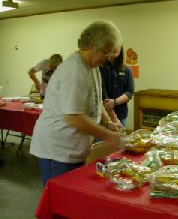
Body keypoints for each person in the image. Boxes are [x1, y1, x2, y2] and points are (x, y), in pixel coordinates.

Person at [29, 20, 123, 186]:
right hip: (58, 150)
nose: (107, 58)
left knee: (71, 198)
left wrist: (108, 123)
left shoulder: (93, 67)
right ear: (92, 45)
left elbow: (96, 99)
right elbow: (74, 117)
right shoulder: (75, 71)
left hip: (73, 148)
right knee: (61, 201)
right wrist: (109, 136)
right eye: (105, 52)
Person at [99, 46, 135, 127]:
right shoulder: (100, 68)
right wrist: (113, 117)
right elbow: (102, 92)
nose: (115, 48)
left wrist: (115, 102)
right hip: (104, 115)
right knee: (103, 139)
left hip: (122, 114)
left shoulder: (127, 69)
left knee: (120, 138)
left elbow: (130, 91)